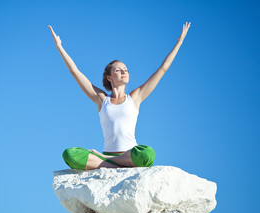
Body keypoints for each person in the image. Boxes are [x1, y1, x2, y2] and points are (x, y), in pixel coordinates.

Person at [49, 22, 191, 170]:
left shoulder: (135, 97)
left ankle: (106, 162)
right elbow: (75, 72)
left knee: (148, 153)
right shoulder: (102, 99)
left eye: (126, 69)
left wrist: (179, 42)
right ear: (109, 77)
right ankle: (115, 163)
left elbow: (163, 69)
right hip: (113, 155)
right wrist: (59, 46)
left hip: (129, 154)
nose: (124, 71)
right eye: (118, 70)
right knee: (69, 154)